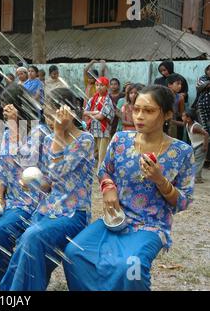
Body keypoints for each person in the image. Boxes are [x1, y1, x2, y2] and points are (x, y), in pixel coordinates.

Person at [63, 85, 195, 291]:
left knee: (131, 267)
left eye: (149, 111)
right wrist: (108, 188)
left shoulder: (181, 152)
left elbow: (184, 201)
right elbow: (104, 170)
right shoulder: (120, 140)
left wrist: (161, 180)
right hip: (116, 218)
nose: (139, 116)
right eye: (136, 109)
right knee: (74, 253)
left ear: (168, 114)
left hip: (151, 224)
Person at [0, 87, 95, 291]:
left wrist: (60, 133)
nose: (50, 122)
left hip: (73, 213)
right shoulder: (51, 139)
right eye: (47, 117)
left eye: (54, 117)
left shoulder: (85, 140)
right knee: (23, 253)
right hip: (47, 209)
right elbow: (49, 182)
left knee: (31, 239)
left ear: (68, 114)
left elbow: (59, 170)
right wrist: (32, 183)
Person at [0, 83, 49, 291]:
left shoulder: (39, 132)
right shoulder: (6, 134)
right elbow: (3, 170)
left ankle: (1, 288)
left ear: (21, 106)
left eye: (10, 105)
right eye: (3, 105)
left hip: (31, 200)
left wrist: (16, 125)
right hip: (10, 200)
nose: (5, 109)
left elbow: (28, 163)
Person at [83, 76, 115, 168]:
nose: (98, 87)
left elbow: (101, 117)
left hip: (103, 131)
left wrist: (90, 115)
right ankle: (93, 172)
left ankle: (102, 173)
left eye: (101, 85)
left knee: (102, 155)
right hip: (93, 130)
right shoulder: (92, 99)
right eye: (97, 85)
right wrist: (94, 112)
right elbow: (84, 112)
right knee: (92, 154)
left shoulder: (108, 100)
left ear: (106, 87)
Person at [180, 111, 208, 183]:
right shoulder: (187, 124)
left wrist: (205, 146)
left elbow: (206, 134)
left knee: (198, 161)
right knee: (193, 160)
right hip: (194, 145)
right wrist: (172, 121)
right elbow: (180, 124)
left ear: (188, 119)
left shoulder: (195, 127)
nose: (182, 117)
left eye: (183, 116)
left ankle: (197, 178)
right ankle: (195, 176)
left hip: (201, 144)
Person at [195, 65, 210, 156]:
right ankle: (205, 156)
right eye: (209, 70)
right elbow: (199, 86)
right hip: (202, 110)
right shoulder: (202, 78)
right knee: (205, 132)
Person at [166, 73, 185, 140]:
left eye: (181, 84)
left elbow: (181, 113)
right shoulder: (163, 96)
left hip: (172, 124)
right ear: (169, 85)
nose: (180, 86)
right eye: (177, 84)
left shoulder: (180, 98)